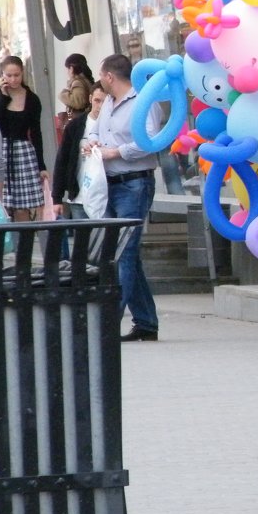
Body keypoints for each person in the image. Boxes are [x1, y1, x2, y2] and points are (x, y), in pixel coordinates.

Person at [88, 53, 162, 342]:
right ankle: (146, 322)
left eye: (101, 75)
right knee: (123, 252)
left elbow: (151, 139)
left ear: (109, 77)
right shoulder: (107, 102)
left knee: (123, 253)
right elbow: (95, 129)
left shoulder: (144, 100)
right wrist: (92, 143)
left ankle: (108, 322)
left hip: (135, 182)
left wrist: (116, 152)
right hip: (111, 183)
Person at [0, 56, 48, 222]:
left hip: (23, 151)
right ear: (2, 75)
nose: (13, 79)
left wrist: (42, 166)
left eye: (16, 75)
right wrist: (3, 97)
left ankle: (25, 242)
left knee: (25, 204)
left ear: (22, 73)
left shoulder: (32, 99)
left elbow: (36, 133)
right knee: (2, 203)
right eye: (8, 75)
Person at [52, 83, 106, 219]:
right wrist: (57, 198)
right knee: (81, 239)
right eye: (97, 100)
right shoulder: (76, 126)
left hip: (103, 195)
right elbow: (62, 160)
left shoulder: (112, 125)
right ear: (90, 99)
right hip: (79, 195)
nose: (100, 106)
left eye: (105, 101)